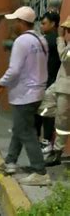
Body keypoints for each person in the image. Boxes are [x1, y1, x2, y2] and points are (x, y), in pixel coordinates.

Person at [0, 6, 51, 186]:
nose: (13, 25)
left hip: (25, 93)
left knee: (26, 131)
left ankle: (40, 171)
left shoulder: (21, 41)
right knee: (20, 128)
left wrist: (1, 82)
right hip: (37, 91)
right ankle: (11, 162)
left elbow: (14, 70)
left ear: (21, 22)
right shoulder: (40, 40)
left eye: (15, 22)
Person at [45, 16, 70, 165]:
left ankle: (57, 152)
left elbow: (64, 57)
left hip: (66, 88)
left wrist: (60, 39)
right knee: (43, 104)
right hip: (60, 84)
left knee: (62, 122)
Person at [36, 12, 61, 153]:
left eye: (44, 23)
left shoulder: (50, 40)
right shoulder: (55, 40)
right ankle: (44, 143)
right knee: (44, 115)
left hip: (49, 84)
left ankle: (45, 144)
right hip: (48, 83)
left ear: (52, 24)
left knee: (45, 116)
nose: (41, 25)